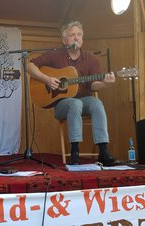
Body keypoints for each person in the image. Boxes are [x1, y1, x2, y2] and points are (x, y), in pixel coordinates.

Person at [27, 21, 116, 166]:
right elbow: (30, 66)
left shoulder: (91, 58)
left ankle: (103, 151)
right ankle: (75, 152)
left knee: (97, 103)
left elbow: (94, 85)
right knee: (75, 103)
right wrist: (47, 79)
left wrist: (105, 83)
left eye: (79, 34)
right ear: (64, 40)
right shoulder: (55, 55)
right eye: (72, 35)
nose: (77, 38)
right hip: (62, 105)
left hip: (84, 100)